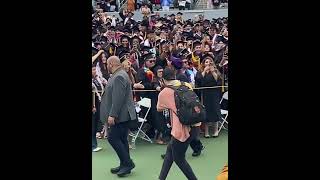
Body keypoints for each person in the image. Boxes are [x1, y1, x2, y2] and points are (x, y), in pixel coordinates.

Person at [157, 67, 198, 180]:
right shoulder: (186, 85)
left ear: (163, 79)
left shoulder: (164, 92)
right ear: (174, 75)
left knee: (179, 159)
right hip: (195, 124)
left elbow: (159, 108)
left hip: (181, 129)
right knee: (170, 151)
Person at [100, 56, 137, 177]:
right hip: (122, 115)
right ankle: (124, 164)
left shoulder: (119, 76)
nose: (106, 67)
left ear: (111, 64)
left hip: (120, 115)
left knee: (113, 138)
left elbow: (118, 99)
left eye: (107, 64)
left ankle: (127, 163)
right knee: (121, 139)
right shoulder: (120, 74)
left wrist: (112, 114)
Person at [195, 54, 222, 138]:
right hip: (205, 94)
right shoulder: (200, 71)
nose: (208, 64)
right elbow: (198, 80)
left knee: (215, 110)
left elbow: (218, 80)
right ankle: (206, 132)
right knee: (206, 111)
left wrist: (213, 71)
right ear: (203, 63)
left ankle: (215, 130)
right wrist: (204, 71)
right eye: (206, 62)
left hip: (214, 93)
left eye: (210, 62)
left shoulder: (216, 71)